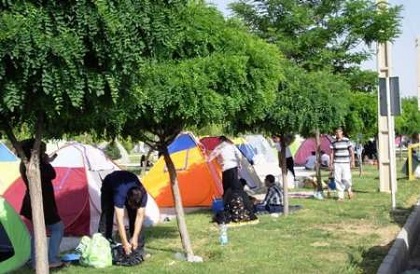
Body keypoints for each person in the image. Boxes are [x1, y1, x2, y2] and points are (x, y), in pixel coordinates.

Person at [19, 139, 64, 269]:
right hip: (42, 202)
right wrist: (45, 162)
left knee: (37, 232)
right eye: (42, 150)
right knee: (57, 228)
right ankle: (52, 259)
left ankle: (35, 261)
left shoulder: (25, 163)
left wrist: (44, 161)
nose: (44, 152)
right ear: (35, 151)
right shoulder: (36, 164)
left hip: (33, 201)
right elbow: (52, 174)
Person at [98, 170, 148, 257]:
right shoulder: (120, 195)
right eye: (131, 205)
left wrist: (135, 237)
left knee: (134, 215)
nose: (132, 208)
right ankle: (103, 245)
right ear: (127, 199)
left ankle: (138, 248)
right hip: (109, 186)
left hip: (127, 184)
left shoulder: (143, 194)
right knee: (107, 214)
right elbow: (119, 220)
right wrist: (124, 242)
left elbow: (140, 217)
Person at [329, 127, 355, 201]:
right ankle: (340, 196)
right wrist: (331, 163)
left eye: (339, 132)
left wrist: (352, 161)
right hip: (337, 163)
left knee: (346, 178)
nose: (337, 134)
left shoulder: (346, 140)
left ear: (342, 132)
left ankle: (349, 190)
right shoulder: (333, 142)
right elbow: (332, 153)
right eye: (336, 132)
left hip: (346, 162)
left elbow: (351, 151)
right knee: (337, 179)